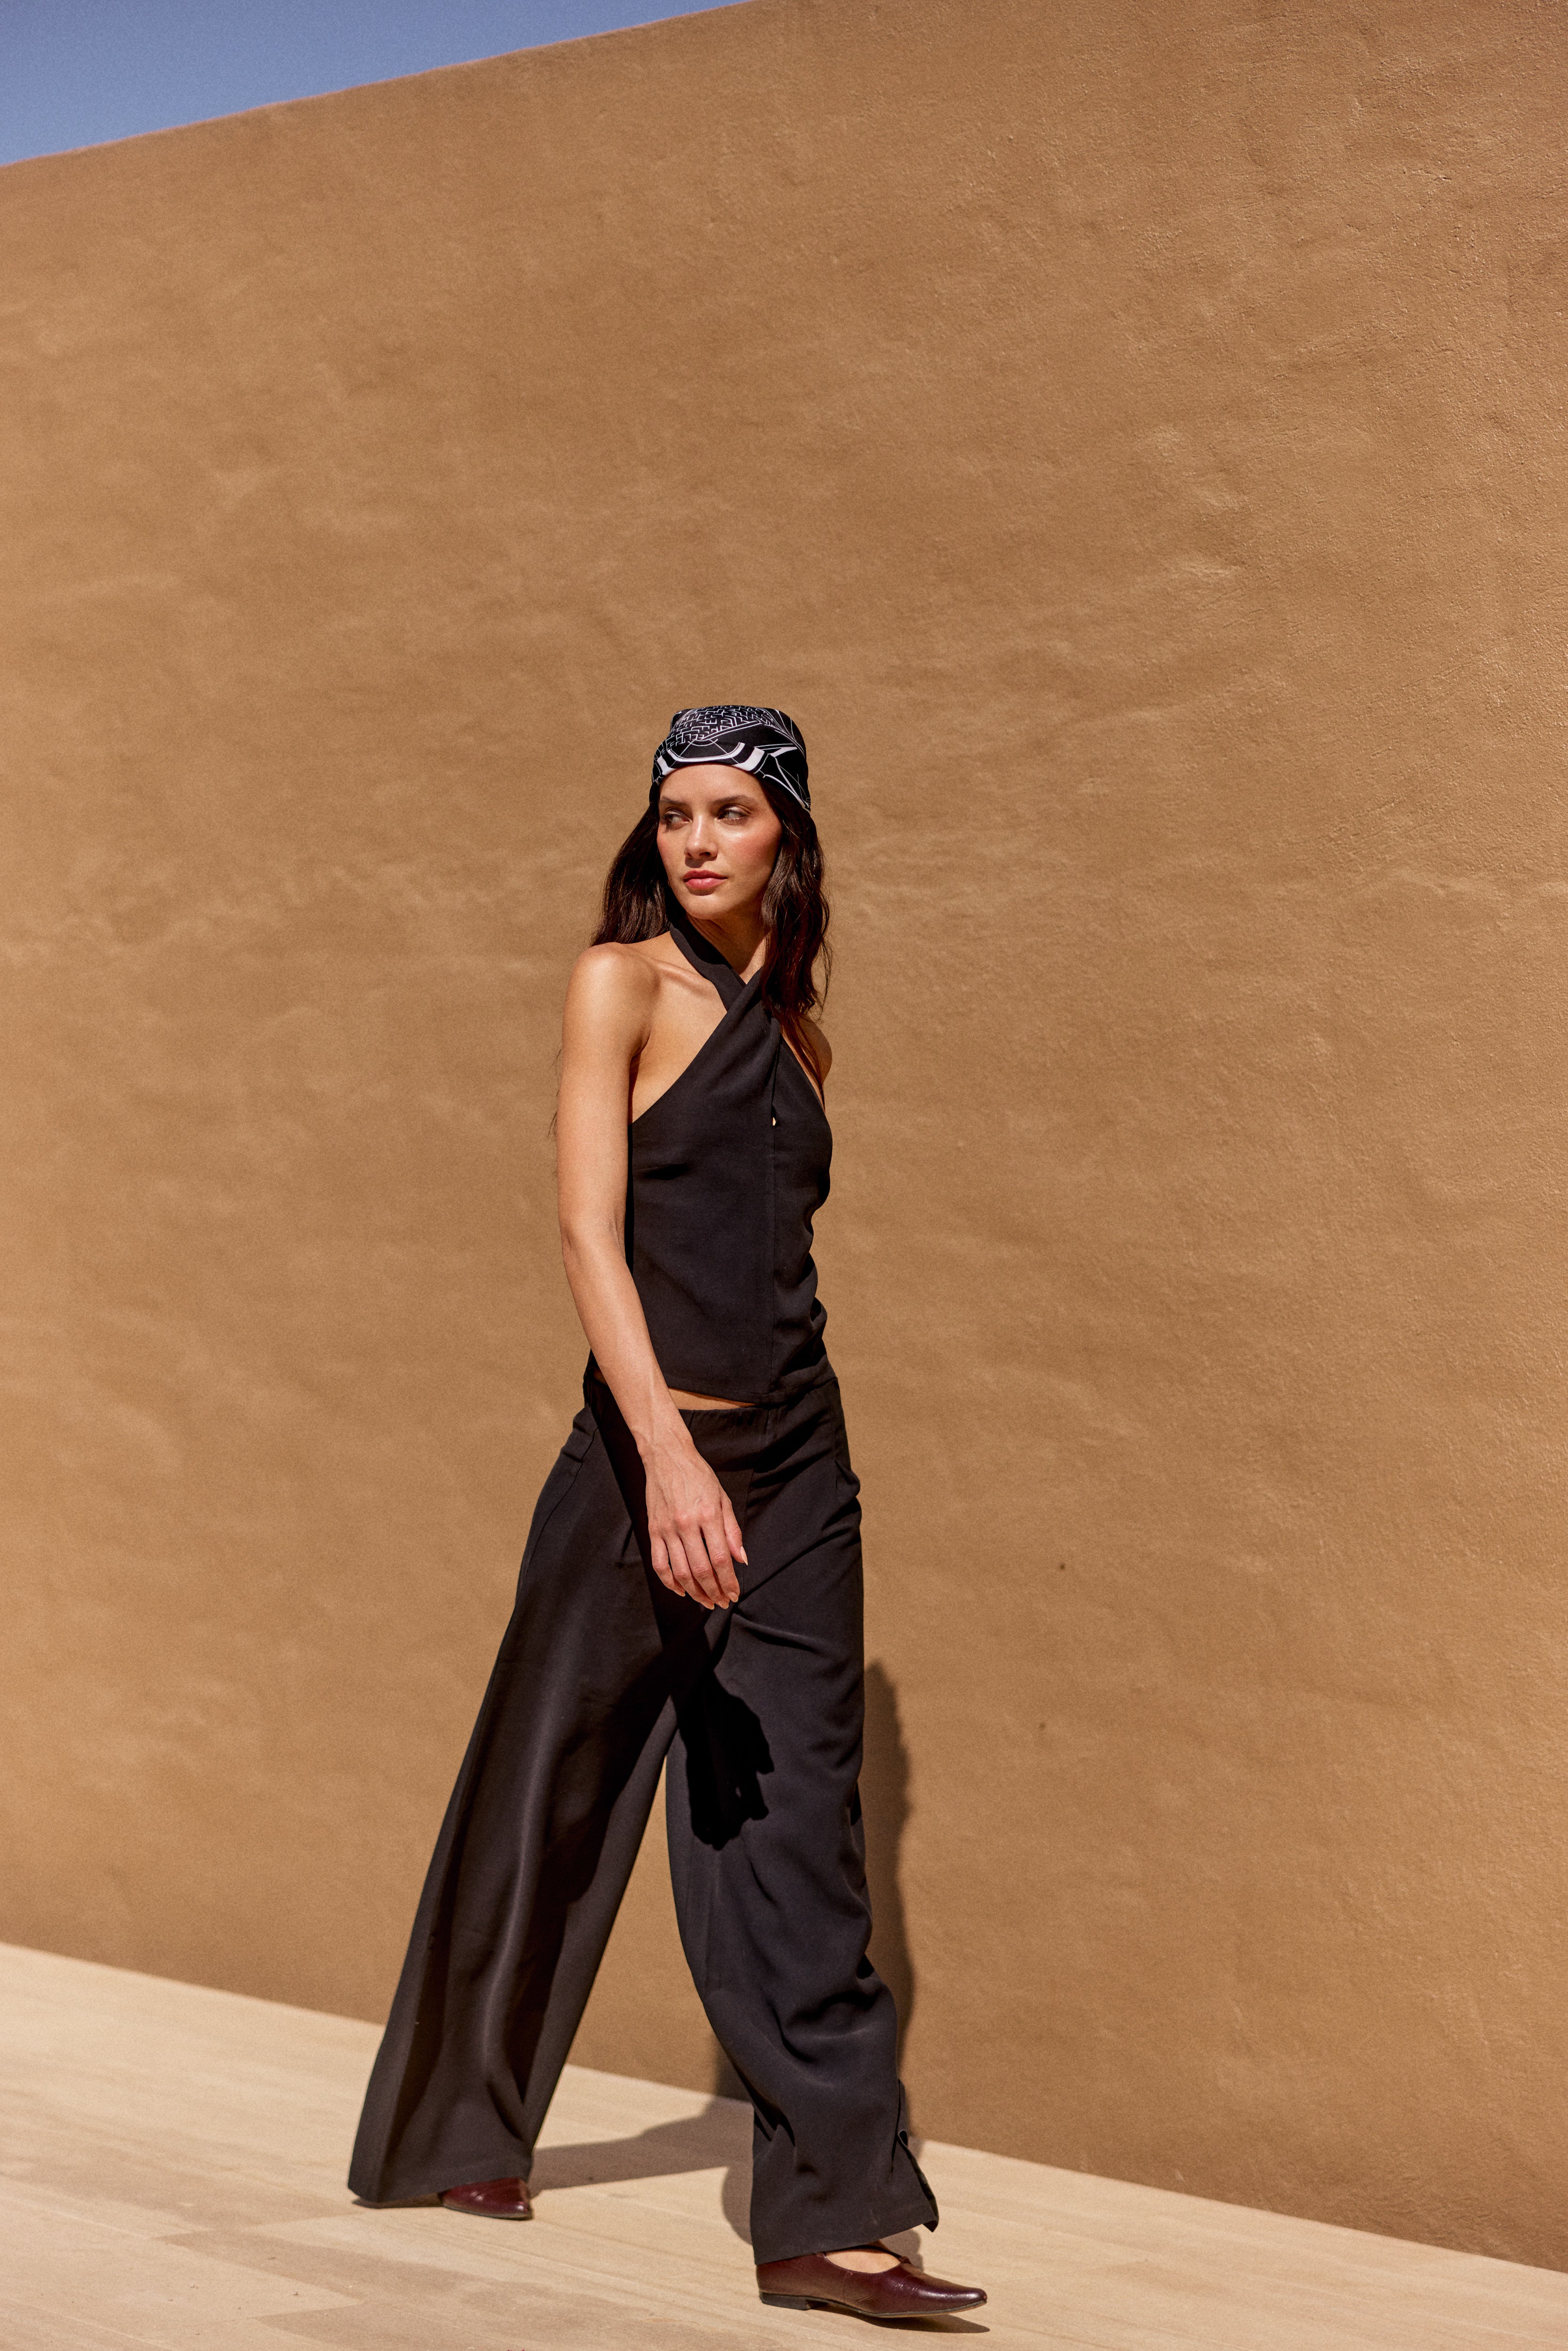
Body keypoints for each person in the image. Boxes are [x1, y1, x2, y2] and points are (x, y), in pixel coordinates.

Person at [348, 706, 985, 2322]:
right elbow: (588, 1231)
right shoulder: (619, 984)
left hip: (801, 1466)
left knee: (803, 1829)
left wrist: (755, 1466)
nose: (698, 841)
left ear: (788, 836)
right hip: (647, 1455)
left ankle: (829, 2221)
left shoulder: (796, 1027)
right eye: (677, 813)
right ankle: (460, 2129)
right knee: (551, 1787)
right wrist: (667, 1458)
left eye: (733, 814)